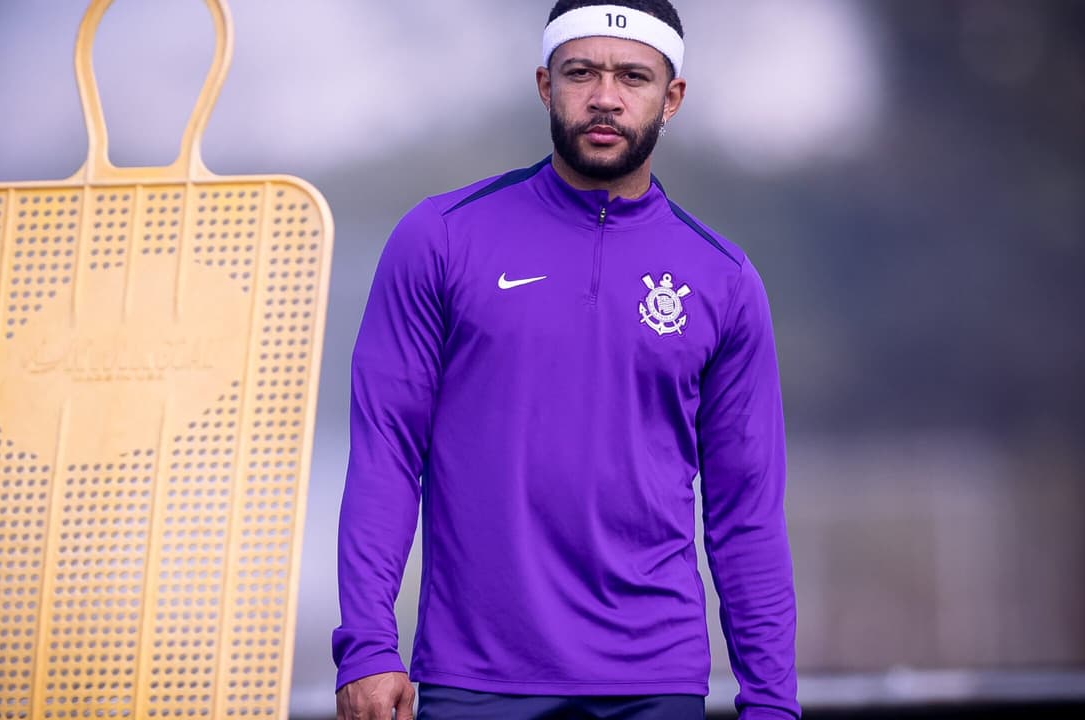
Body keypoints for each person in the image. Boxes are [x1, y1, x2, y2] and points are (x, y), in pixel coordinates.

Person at [332, 1, 799, 718]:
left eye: (633, 77)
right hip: (478, 677)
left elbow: (746, 513)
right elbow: (386, 451)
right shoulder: (441, 238)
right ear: (546, 84)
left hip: (654, 682)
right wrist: (367, 641)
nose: (605, 96)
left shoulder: (723, 280)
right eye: (582, 72)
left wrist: (771, 700)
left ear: (671, 97)